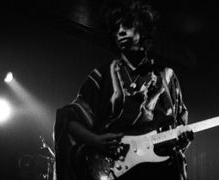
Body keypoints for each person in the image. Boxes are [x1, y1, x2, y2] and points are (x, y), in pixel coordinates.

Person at [54, 1, 193, 180]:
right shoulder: (102, 75)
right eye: (116, 29)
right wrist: (95, 141)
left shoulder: (167, 76)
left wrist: (182, 141)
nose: (120, 32)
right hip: (114, 169)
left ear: (143, 29)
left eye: (126, 25)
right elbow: (70, 119)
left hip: (161, 172)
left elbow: (179, 127)